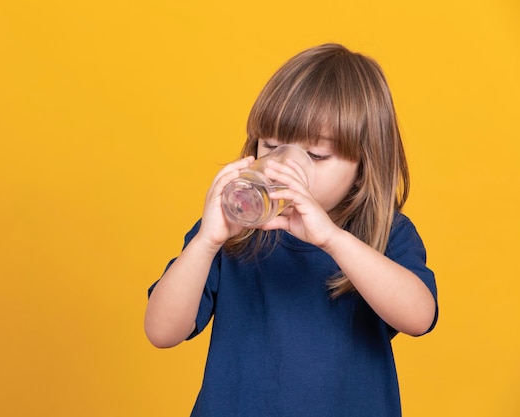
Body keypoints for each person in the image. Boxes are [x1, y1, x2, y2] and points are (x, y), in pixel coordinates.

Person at [144, 43, 438, 417]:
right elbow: (161, 332)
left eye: (316, 156)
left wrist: (333, 239)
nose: (285, 165)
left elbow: (419, 318)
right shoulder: (233, 231)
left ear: (364, 163)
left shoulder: (382, 231)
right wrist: (206, 242)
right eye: (271, 144)